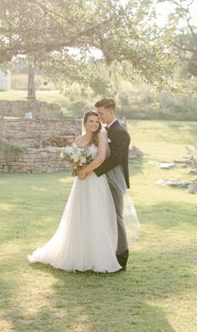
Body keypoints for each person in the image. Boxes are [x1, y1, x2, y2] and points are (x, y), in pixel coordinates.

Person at [27, 110, 122, 273]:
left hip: (95, 180)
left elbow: (101, 158)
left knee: (95, 214)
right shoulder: (78, 140)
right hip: (81, 183)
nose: (94, 124)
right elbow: (73, 159)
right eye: (91, 121)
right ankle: (76, 254)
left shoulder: (100, 137)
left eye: (96, 122)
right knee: (79, 214)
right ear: (84, 123)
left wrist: (86, 171)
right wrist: (77, 168)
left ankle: (96, 257)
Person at [78, 98, 133, 271]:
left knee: (116, 217)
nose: (99, 117)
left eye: (101, 113)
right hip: (99, 181)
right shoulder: (103, 130)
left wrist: (92, 170)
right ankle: (104, 252)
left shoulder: (121, 132)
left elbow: (115, 159)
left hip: (114, 180)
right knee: (102, 217)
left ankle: (121, 256)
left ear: (111, 111)